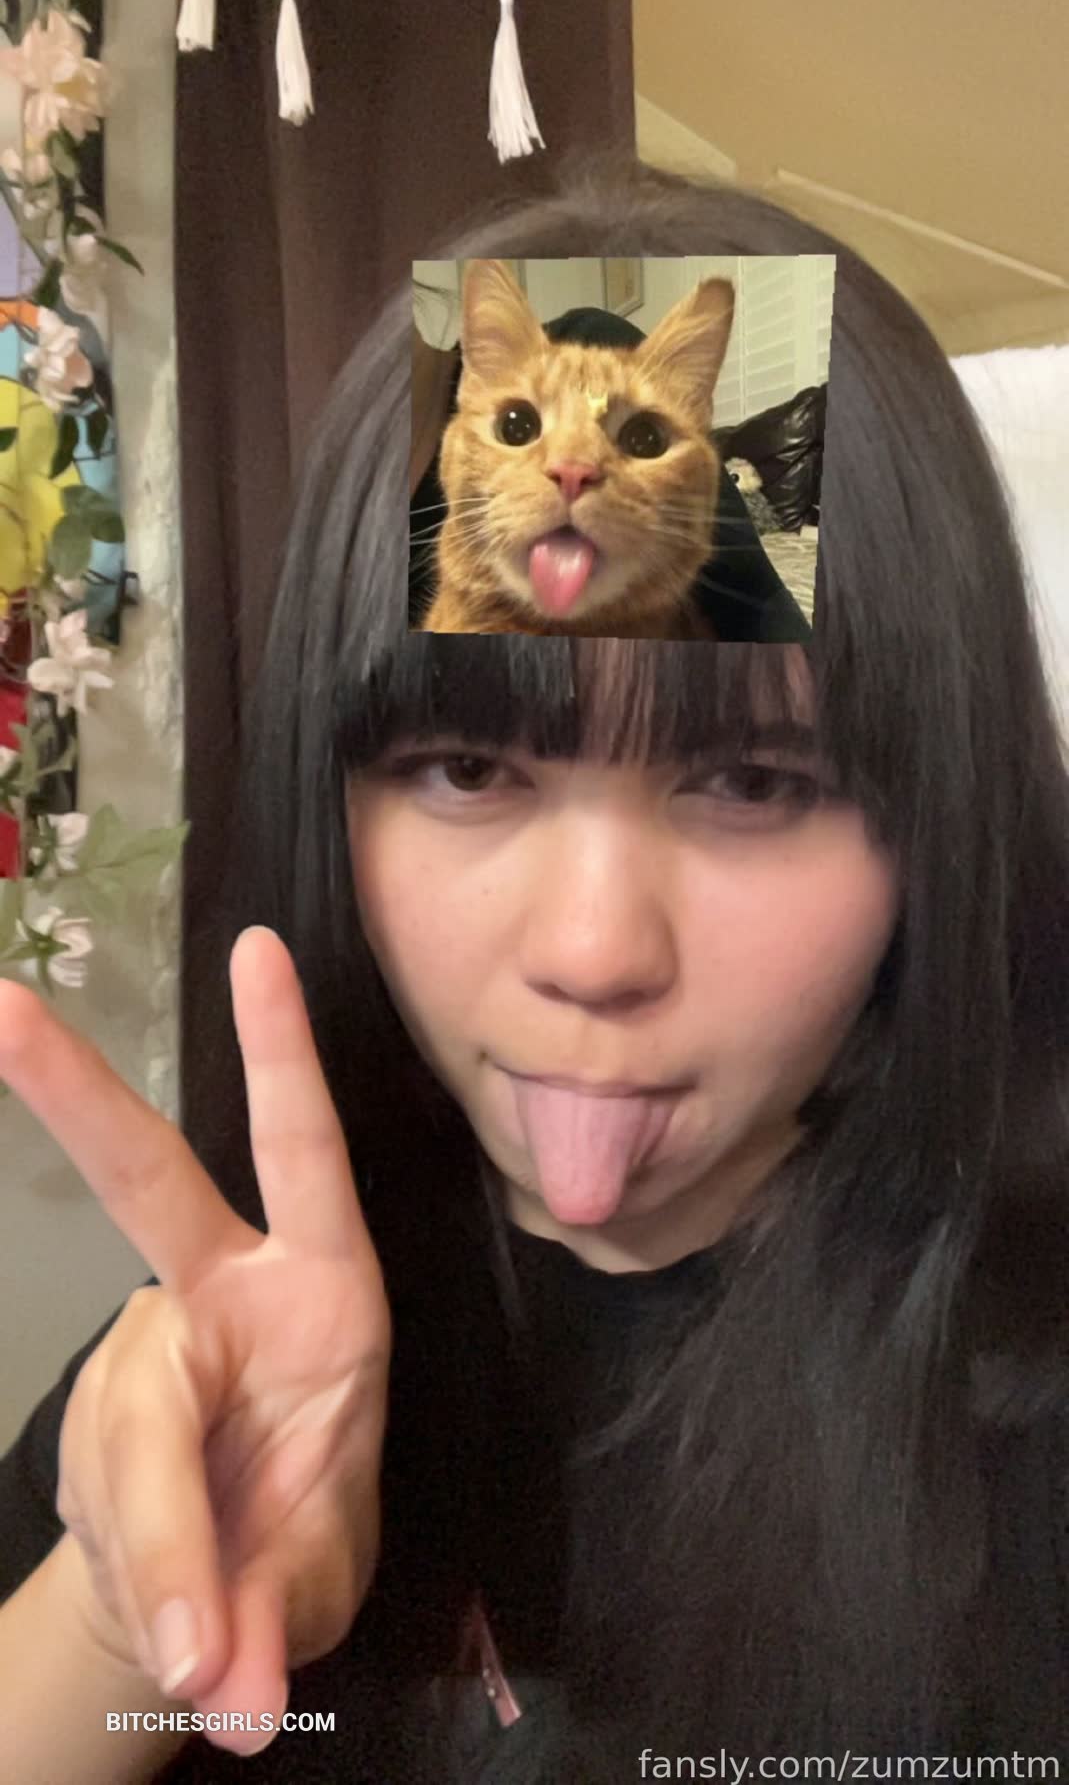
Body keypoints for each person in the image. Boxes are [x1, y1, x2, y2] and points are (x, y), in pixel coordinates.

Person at [1, 148, 1068, 1785]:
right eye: (466, 770)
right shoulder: (213, 1364)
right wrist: (123, 1619)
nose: (590, 952)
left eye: (752, 785)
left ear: (936, 823)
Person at [408, 302, 813, 640]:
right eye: (517, 428)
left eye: (644, 439)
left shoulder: (598, 333)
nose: (572, 469)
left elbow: (763, 611)